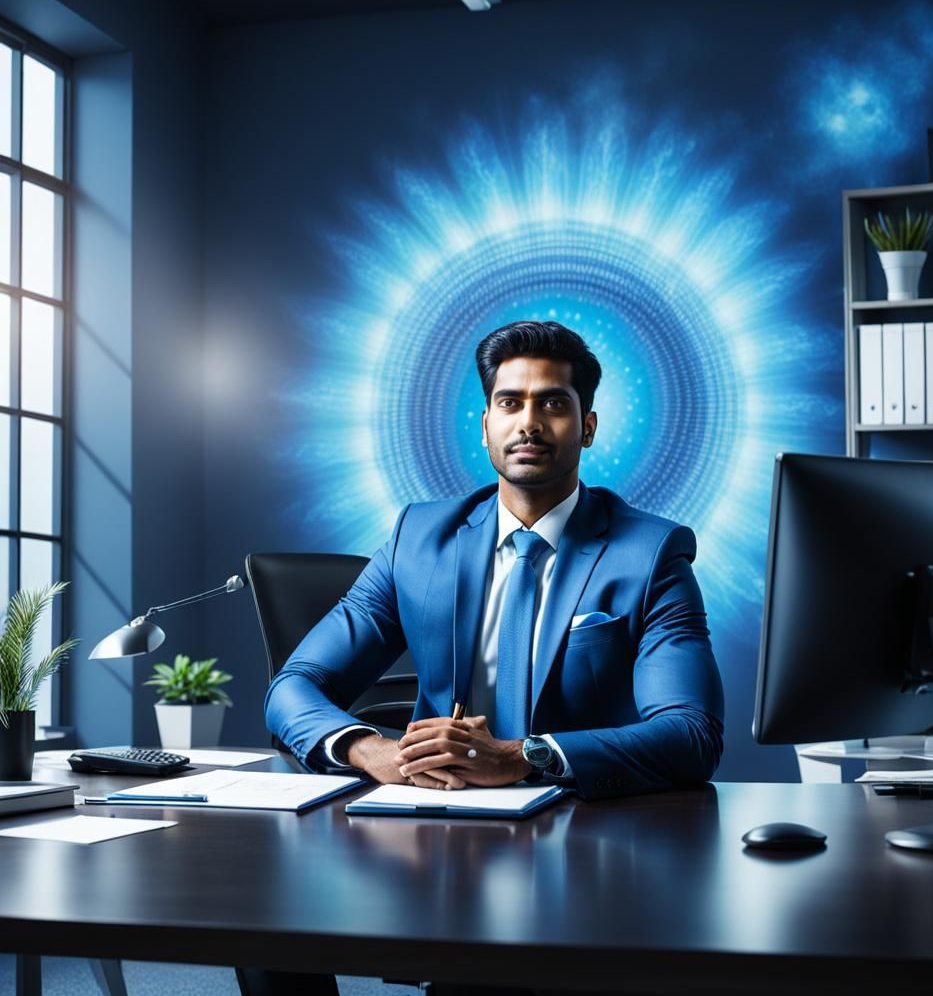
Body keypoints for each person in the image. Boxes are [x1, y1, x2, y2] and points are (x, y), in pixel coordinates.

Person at [266, 320, 724, 800]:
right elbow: (295, 684)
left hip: (582, 829)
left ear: (587, 428)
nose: (529, 422)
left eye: (553, 403)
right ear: (486, 428)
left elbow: (692, 733)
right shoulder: (419, 540)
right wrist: (371, 749)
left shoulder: (651, 554)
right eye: (510, 403)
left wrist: (522, 756)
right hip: (431, 819)